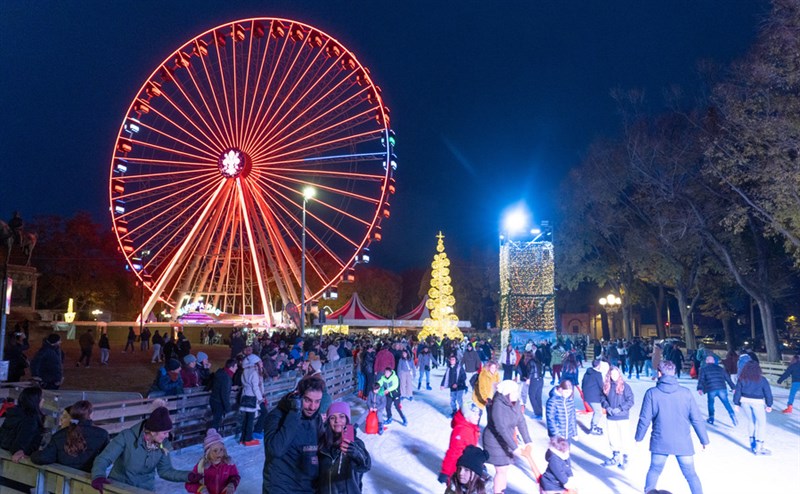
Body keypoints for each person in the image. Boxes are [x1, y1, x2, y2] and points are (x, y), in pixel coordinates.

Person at [635, 360, 708, 494]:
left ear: (659, 373)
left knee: (655, 470)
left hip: (660, 440)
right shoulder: (685, 393)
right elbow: (696, 418)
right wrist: (704, 439)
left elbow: (645, 418)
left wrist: (639, 437)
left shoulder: (652, 393)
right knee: (691, 475)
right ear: (674, 373)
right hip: (683, 442)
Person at [91, 406, 197, 492]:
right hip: (120, 487)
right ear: (153, 431)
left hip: (144, 490)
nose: (167, 435)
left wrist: (188, 476)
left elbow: (165, 471)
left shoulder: (163, 445)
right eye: (165, 432)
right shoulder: (127, 437)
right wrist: (98, 475)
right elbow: (104, 458)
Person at [262, 374, 326, 494]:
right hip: (281, 488)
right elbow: (276, 450)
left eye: (317, 401)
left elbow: (323, 449)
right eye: (307, 400)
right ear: (297, 396)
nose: (312, 407)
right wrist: (295, 412)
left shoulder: (316, 419)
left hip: (308, 487)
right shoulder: (276, 416)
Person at [31, 400, 109, 472]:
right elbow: (107, 459)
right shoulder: (102, 434)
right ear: (89, 414)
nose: (61, 419)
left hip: (63, 481)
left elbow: (44, 458)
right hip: (89, 481)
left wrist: (32, 454)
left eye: (64, 417)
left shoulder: (59, 435)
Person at [482, 380, 531, 494]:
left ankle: (500, 491)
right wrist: (515, 448)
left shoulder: (515, 402)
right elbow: (501, 428)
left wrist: (528, 441)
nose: (516, 394)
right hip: (494, 440)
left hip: (506, 439)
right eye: (513, 392)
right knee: (501, 470)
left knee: (504, 469)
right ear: (506, 393)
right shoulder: (498, 405)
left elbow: (521, 421)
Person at [318, 402, 371, 494]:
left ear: (347, 419)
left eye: (341, 416)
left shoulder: (355, 443)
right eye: (332, 417)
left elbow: (365, 466)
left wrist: (356, 453)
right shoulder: (323, 444)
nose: (337, 421)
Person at [733, 360, 773, 455]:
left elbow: (738, 391)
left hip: (745, 401)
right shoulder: (762, 379)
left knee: (751, 421)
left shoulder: (742, 378)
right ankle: (759, 447)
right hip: (757, 402)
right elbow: (768, 392)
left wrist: (736, 403)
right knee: (761, 423)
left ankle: (752, 442)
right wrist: (769, 404)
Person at [185, 428, 240, 494]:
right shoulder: (201, 466)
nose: (219, 453)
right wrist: (200, 488)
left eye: (221, 449)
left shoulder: (229, 464)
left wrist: (232, 484)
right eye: (215, 450)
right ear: (208, 453)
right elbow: (189, 484)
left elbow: (235, 476)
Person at [600, 366, 634, 469]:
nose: (614, 376)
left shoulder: (625, 386)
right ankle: (616, 456)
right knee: (613, 438)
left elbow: (630, 401)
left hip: (622, 417)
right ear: (609, 375)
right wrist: (607, 407)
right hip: (611, 417)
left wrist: (620, 408)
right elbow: (602, 398)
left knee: (625, 438)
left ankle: (626, 458)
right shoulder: (606, 386)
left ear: (619, 374)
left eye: (616, 374)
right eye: (612, 374)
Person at [0, 386, 44, 463]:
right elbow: (21, 443)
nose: (43, 400)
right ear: (35, 401)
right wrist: (21, 451)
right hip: (16, 462)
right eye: (41, 398)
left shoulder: (13, 414)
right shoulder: (30, 420)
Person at [439, 408, 481, 484]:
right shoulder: (461, 431)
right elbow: (453, 452)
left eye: (478, 414)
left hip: (466, 468)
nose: (478, 417)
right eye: (475, 414)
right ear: (467, 416)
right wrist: (445, 472)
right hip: (457, 471)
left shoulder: (472, 428)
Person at [696, 355, 737, 426]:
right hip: (722, 388)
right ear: (714, 361)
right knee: (726, 403)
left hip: (711, 389)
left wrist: (700, 388)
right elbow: (728, 379)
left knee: (711, 403)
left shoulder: (704, 369)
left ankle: (711, 418)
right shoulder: (720, 369)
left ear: (706, 361)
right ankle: (732, 415)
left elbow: (701, 380)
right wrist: (733, 387)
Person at [239, 354, 264, 446]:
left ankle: (243, 438)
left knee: (246, 419)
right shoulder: (254, 372)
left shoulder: (245, 371)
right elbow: (255, 387)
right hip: (252, 397)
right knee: (250, 419)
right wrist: (260, 398)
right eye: (259, 361)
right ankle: (248, 439)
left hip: (245, 396)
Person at [581, 359, 608, 435]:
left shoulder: (587, 372)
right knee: (598, 412)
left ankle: (593, 426)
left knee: (597, 411)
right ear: (599, 365)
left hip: (588, 395)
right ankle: (593, 427)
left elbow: (583, 383)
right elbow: (601, 386)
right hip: (594, 396)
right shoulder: (597, 374)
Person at [526, 352, 545, 419]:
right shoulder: (537, 361)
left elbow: (532, 370)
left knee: (532, 395)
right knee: (538, 396)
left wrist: (528, 378)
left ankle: (537, 412)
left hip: (534, 379)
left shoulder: (531, 362)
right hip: (540, 379)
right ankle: (540, 413)